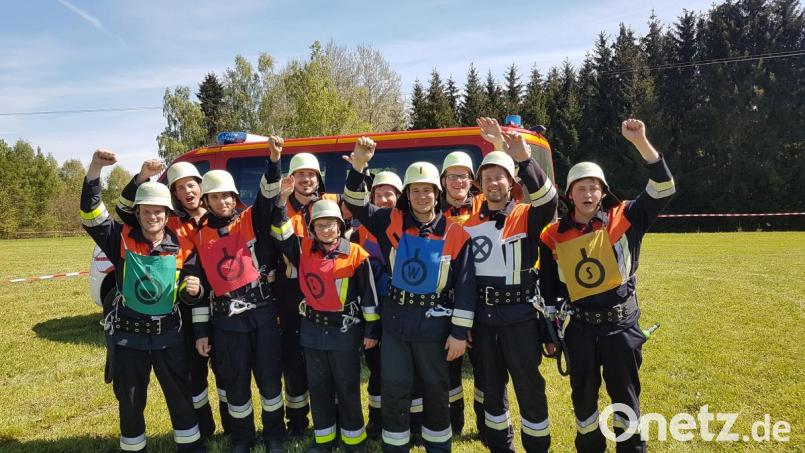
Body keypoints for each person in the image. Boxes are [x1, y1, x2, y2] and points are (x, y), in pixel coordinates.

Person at [540, 119, 674, 453]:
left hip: (621, 327)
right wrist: (551, 332)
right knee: (583, 400)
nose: (587, 194)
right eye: (580, 188)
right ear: (570, 194)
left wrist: (642, 142)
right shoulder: (553, 234)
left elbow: (664, 187)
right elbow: (549, 287)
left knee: (625, 399)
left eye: (593, 188)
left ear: (603, 192)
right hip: (581, 329)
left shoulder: (626, 217)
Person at [343, 137, 476, 453]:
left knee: (435, 388)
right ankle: (395, 447)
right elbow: (356, 202)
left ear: (437, 194)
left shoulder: (457, 234)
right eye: (415, 190)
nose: (421, 196)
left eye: (427, 190)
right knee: (395, 387)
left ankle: (438, 447)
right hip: (397, 321)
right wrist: (360, 164)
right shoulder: (390, 222)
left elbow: (467, 286)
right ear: (407, 194)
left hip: (435, 322)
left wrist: (459, 333)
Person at [80, 149, 206, 452]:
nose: (153, 217)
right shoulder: (120, 238)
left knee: (180, 396)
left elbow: (194, 296)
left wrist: (195, 291)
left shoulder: (183, 249)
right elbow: (91, 212)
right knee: (132, 401)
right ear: (138, 214)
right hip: (129, 338)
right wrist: (96, 168)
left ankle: (191, 447)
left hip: (169, 337)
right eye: (147, 211)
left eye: (159, 212)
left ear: (167, 215)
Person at [463, 128, 559, 453]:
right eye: (487, 177)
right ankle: (500, 447)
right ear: (480, 184)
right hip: (483, 318)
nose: (493, 183)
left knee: (528, 386)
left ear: (510, 183)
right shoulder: (467, 224)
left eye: (499, 177)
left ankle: (537, 447)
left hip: (520, 318)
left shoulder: (527, 216)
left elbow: (549, 198)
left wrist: (523, 158)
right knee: (491, 389)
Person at [116, 159, 228, 437]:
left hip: (226, 306)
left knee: (226, 372)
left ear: (201, 187)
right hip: (188, 308)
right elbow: (126, 212)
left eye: (191, 184)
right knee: (193, 373)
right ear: (173, 195)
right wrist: (141, 178)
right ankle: (203, 428)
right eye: (179, 188)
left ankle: (233, 429)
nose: (187, 191)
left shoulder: (223, 214)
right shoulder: (172, 223)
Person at [191, 137, 286, 453]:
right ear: (206, 201)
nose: (223, 202)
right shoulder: (199, 237)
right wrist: (202, 331)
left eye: (227, 196)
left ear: (235, 197)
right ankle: (242, 437)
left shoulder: (251, 220)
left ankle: (274, 435)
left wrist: (273, 159)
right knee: (236, 383)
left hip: (261, 314)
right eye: (215, 197)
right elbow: (199, 285)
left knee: (270, 380)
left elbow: (268, 194)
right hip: (226, 320)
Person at [272, 176, 380, 452]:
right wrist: (281, 202)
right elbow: (281, 232)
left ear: (340, 225)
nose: (326, 229)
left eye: (331, 224)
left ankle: (354, 440)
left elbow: (369, 297)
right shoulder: (303, 250)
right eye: (320, 225)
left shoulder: (356, 254)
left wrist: (371, 330)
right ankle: (324, 440)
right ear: (312, 228)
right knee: (318, 388)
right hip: (312, 332)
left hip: (344, 332)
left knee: (346, 387)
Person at [274, 152, 340, 435]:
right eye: (300, 174)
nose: (306, 179)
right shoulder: (280, 206)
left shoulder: (330, 203)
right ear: (292, 178)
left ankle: (334, 417)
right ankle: (297, 422)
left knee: (328, 358)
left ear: (318, 178)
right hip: (289, 293)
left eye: (311, 174)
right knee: (293, 360)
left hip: (324, 289)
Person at [437, 148, 486, 440]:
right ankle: (453, 423)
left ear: (472, 181)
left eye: (464, 176)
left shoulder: (484, 207)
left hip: (483, 302)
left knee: (485, 370)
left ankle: (484, 425)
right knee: (449, 371)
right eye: (452, 176)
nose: (458, 182)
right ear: (443, 181)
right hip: (447, 301)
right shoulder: (434, 214)